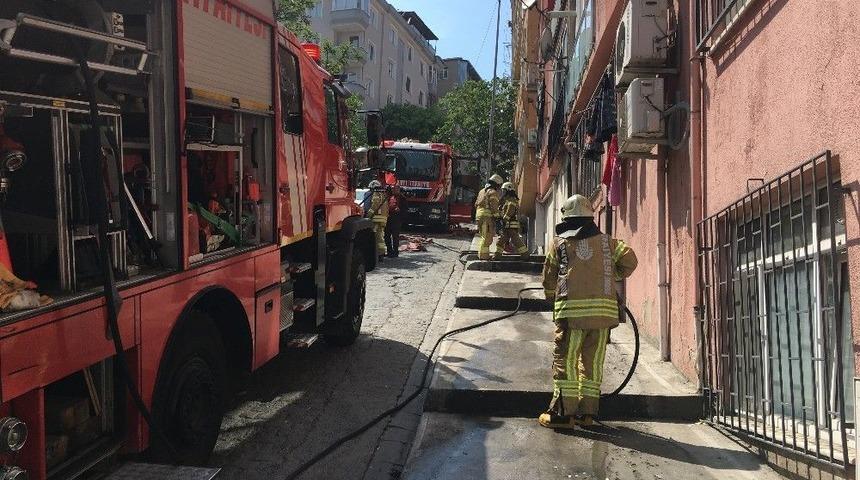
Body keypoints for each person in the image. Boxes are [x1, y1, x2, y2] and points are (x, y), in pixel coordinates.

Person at [539, 194, 638, 429]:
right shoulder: (609, 243)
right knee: (593, 364)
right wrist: (608, 276)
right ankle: (588, 414)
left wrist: (551, 298)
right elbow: (630, 261)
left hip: (571, 317)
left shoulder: (559, 244)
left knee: (567, 361)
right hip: (603, 317)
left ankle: (563, 415)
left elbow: (549, 278)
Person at [492, 182, 529, 260]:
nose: (503, 193)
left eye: (504, 191)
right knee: (501, 241)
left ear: (508, 191)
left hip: (510, 225)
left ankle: (525, 255)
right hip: (507, 225)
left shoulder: (511, 201)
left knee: (515, 240)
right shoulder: (508, 201)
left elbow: (509, 212)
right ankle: (497, 256)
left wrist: (502, 219)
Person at [474, 174, 503, 260]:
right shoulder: (493, 192)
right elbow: (494, 207)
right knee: (487, 237)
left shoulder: (482, 191)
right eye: (499, 186)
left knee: (483, 236)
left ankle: (482, 255)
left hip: (479, 216)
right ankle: (483, 256)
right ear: (497, 184)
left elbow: (476, 204)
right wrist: (498, 217)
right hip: (486, 217)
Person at [366, 180, 389, 262]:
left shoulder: (376, 194)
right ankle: (381, 254)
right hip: (383, 219)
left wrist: (368, 215)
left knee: (376, 237)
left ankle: (379, 255)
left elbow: (375, 205)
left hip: (376, 219)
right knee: (380, 237)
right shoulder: (383, 195)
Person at [385, 185, 405, 258]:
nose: (394, 190)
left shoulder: (402, 198)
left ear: (399, 190)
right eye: (393, 189)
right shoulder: (389, 197)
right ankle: (389, 251)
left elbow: (405, 210)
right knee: (386, 236)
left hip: (397, 220)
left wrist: (401, 218)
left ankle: (395, 252)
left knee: (395, 237)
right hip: (388, 219)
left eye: (396, 189)